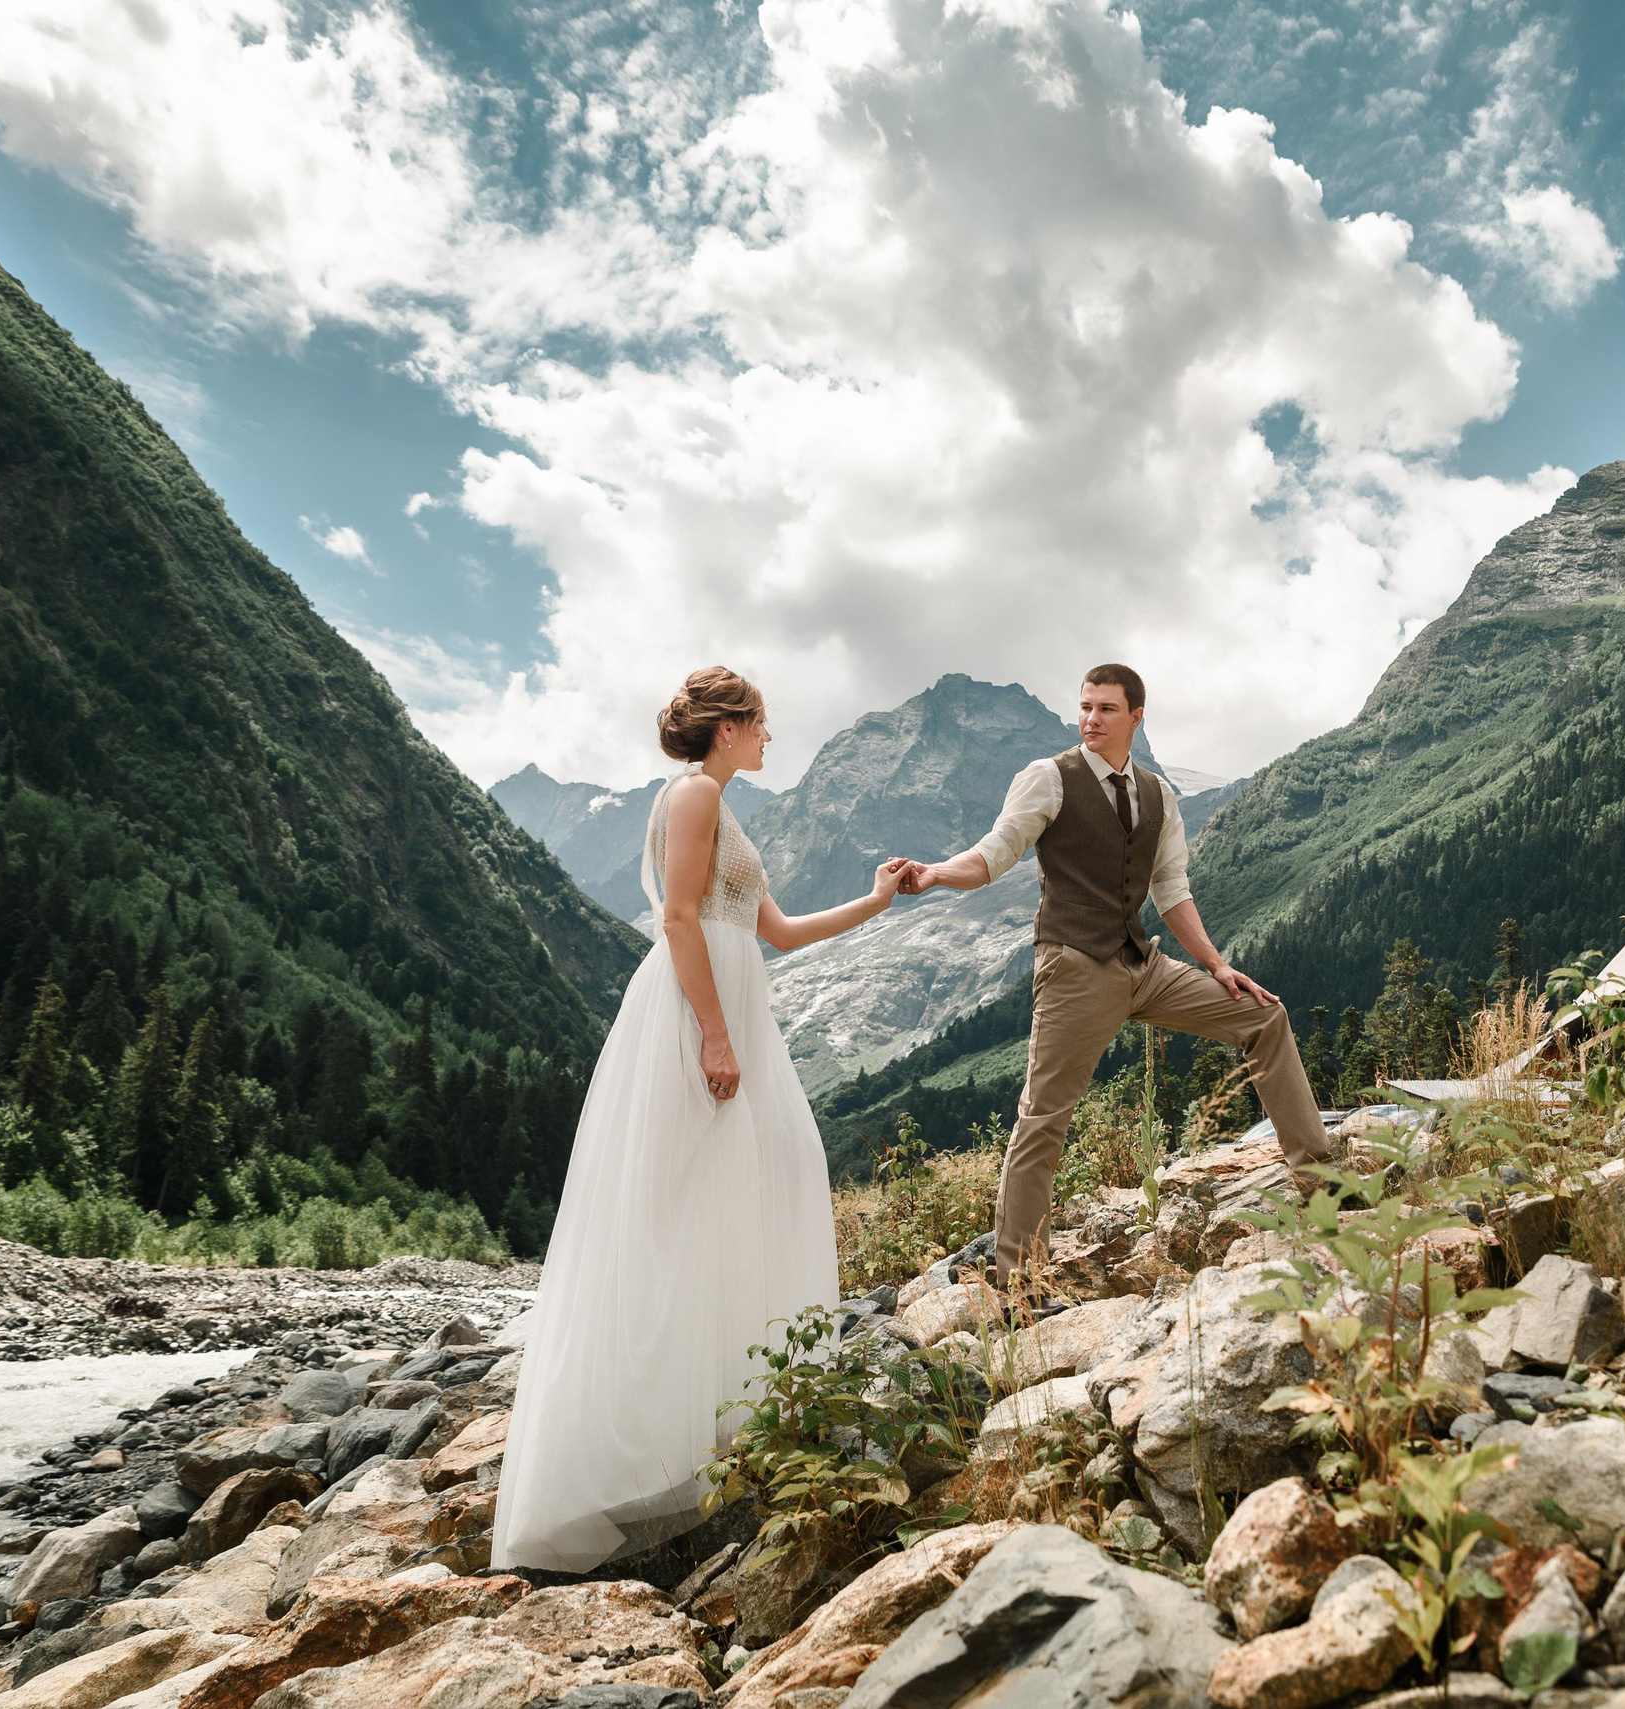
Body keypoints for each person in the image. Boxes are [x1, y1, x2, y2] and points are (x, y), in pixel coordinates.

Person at [493, 667, 910, 1573]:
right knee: (686, 1209)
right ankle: (646, 1449)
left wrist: (877, 901)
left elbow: (781, 931)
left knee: (770, 1175)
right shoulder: (689, 796)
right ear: (728, 727)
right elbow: (680, 918)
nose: (770, 739)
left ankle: (727, 1416)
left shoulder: (722, 804)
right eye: (762, 724)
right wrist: (714, 1036)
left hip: (732, 1013)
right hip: (696, 1016)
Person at [898, 663, 1335, 1284]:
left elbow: (1171, 890)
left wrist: (1216, 965)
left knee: (1264, 1015)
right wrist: (938, 872)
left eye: (1105, 709)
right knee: (1043, 1118)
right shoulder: (1048, 778)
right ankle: (1017, 1279)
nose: (1090, 720)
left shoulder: (1158, 794)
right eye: (1084, 707)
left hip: (1142, 964)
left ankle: (1322, 1187)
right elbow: (996, 852)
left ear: (1135, 717)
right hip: (1075, 967)